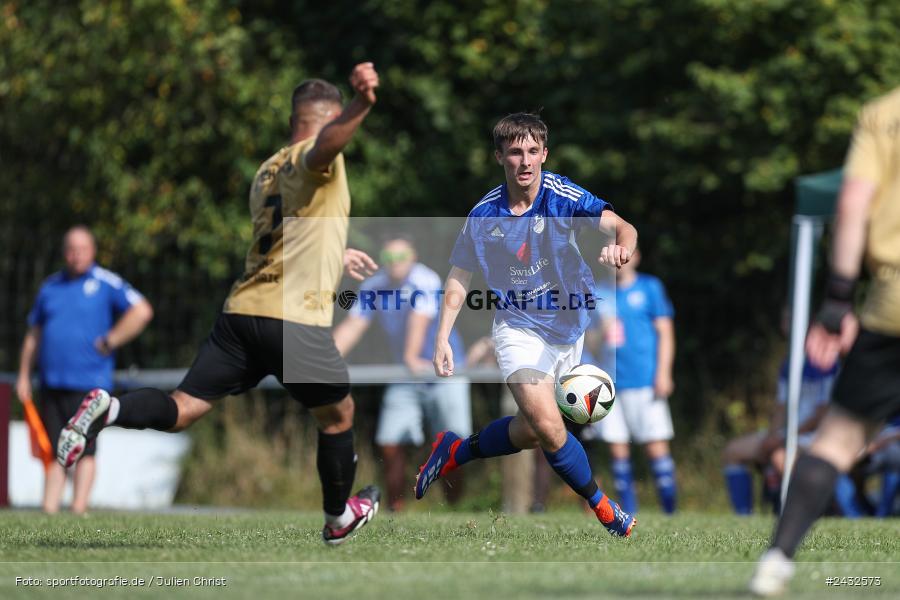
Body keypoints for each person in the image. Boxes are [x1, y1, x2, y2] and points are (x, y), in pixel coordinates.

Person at [56, 64, 384, 545]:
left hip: (242, 313)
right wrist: (364, 104)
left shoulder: (267, 171)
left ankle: (110, 411)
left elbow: (289, 242)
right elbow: (327, 146)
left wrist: (334, 254)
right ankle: (338, 520)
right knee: (338, 416)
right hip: (291, 318)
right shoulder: (314, 157)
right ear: (328, 116)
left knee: (183, 407)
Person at [415, 112, 640, 537]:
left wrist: (620, 249)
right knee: (550, 427)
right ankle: (605, 507)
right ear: (499, 156)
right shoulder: (483, 215)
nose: (525, 161)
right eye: (515, 151)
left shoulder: (560, 195)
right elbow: (459, 276)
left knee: (537, 428)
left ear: (544, 154)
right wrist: (442, 336)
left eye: (533, 151)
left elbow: (623, 227)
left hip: (570, 326)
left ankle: (456, 450)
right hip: (517, 328)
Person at [751, 87, 900, 595]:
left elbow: (854, 203)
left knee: (836, 442)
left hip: (891, 301)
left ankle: (776, 561)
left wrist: (838, 301)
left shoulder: (884, 113)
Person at [16, 226, 153, 514]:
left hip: (90, 384)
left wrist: (111, 339)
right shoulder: (50, 287)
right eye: (71, 249)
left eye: (82, 249)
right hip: (52, 381)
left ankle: (79, 509)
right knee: (53, 449)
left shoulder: (105, 283)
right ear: (64, 251)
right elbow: (34, 335)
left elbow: (142, 310)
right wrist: (24, 374)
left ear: (92, 251)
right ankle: (49, 509)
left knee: (85, 448)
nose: (76, 255)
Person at [333, 235, 472, 511]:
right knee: (389, 442)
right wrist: (322, 360)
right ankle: (396, 509)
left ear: (413, 257)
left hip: (445, 371)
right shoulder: (374, 286)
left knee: (454, 447)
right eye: (388, 259)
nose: (393, 264)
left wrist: (409, 357)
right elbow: (352, 326)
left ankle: (454, 509)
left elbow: (417, 321)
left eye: (400, 257)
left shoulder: (426, 279)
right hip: (407, 374)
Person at [582, 248, 677, 515]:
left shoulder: (649, 287)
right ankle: (628, 512)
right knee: (617, 450)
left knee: (656, 446)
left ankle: (670, 511)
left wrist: (664, 373)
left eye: (625, 256)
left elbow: (666, 333)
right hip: (610, 384)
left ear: (636, 257)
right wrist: (601, 330)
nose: (619, 263)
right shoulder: (598, 294)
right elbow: (591, 342)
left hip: (645, 380)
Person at [722, 355, 836, 515]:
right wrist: (771, 436)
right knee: (733, 451)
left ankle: (803, 515)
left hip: (815, 434)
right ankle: (744, 515)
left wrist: (784, 438)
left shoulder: (828, 363)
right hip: (787, 433)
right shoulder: (789, 363)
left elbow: (820, 416)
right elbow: (781, 408)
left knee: (780, 458)